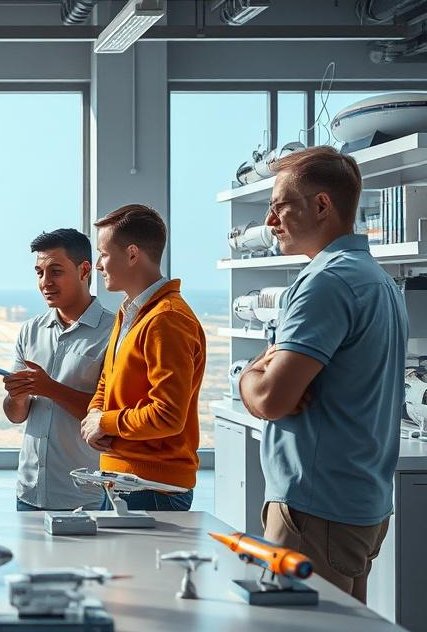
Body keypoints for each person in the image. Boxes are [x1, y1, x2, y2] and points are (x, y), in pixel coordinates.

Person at [239, 146, 406, 602]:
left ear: (321, 205)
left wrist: (248, 375)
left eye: (279, 207)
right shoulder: (380, 281)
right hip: (360, 504)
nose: (271, 222)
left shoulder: (326, 281)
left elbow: (271, 398)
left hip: (313, 510)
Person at [79, 204, 205, 511]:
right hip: (123, 480)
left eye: (104, 254)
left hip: (152, 489)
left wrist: (105, 423)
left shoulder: (168, 320)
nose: (98, 264)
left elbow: (167, 415)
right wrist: (94, 419)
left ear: (132, 254)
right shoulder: (130, 312)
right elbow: (108, 380)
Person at [2, 229, 115, 512]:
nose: (45, 282)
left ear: (84, 270)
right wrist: (16, 396)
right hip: (28, 492)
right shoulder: (30, 330)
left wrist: (48, 388)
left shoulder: (113, 332)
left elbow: (110, 417)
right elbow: (16, 415)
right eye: (39, 272)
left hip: (85, 495)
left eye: (55, 271)